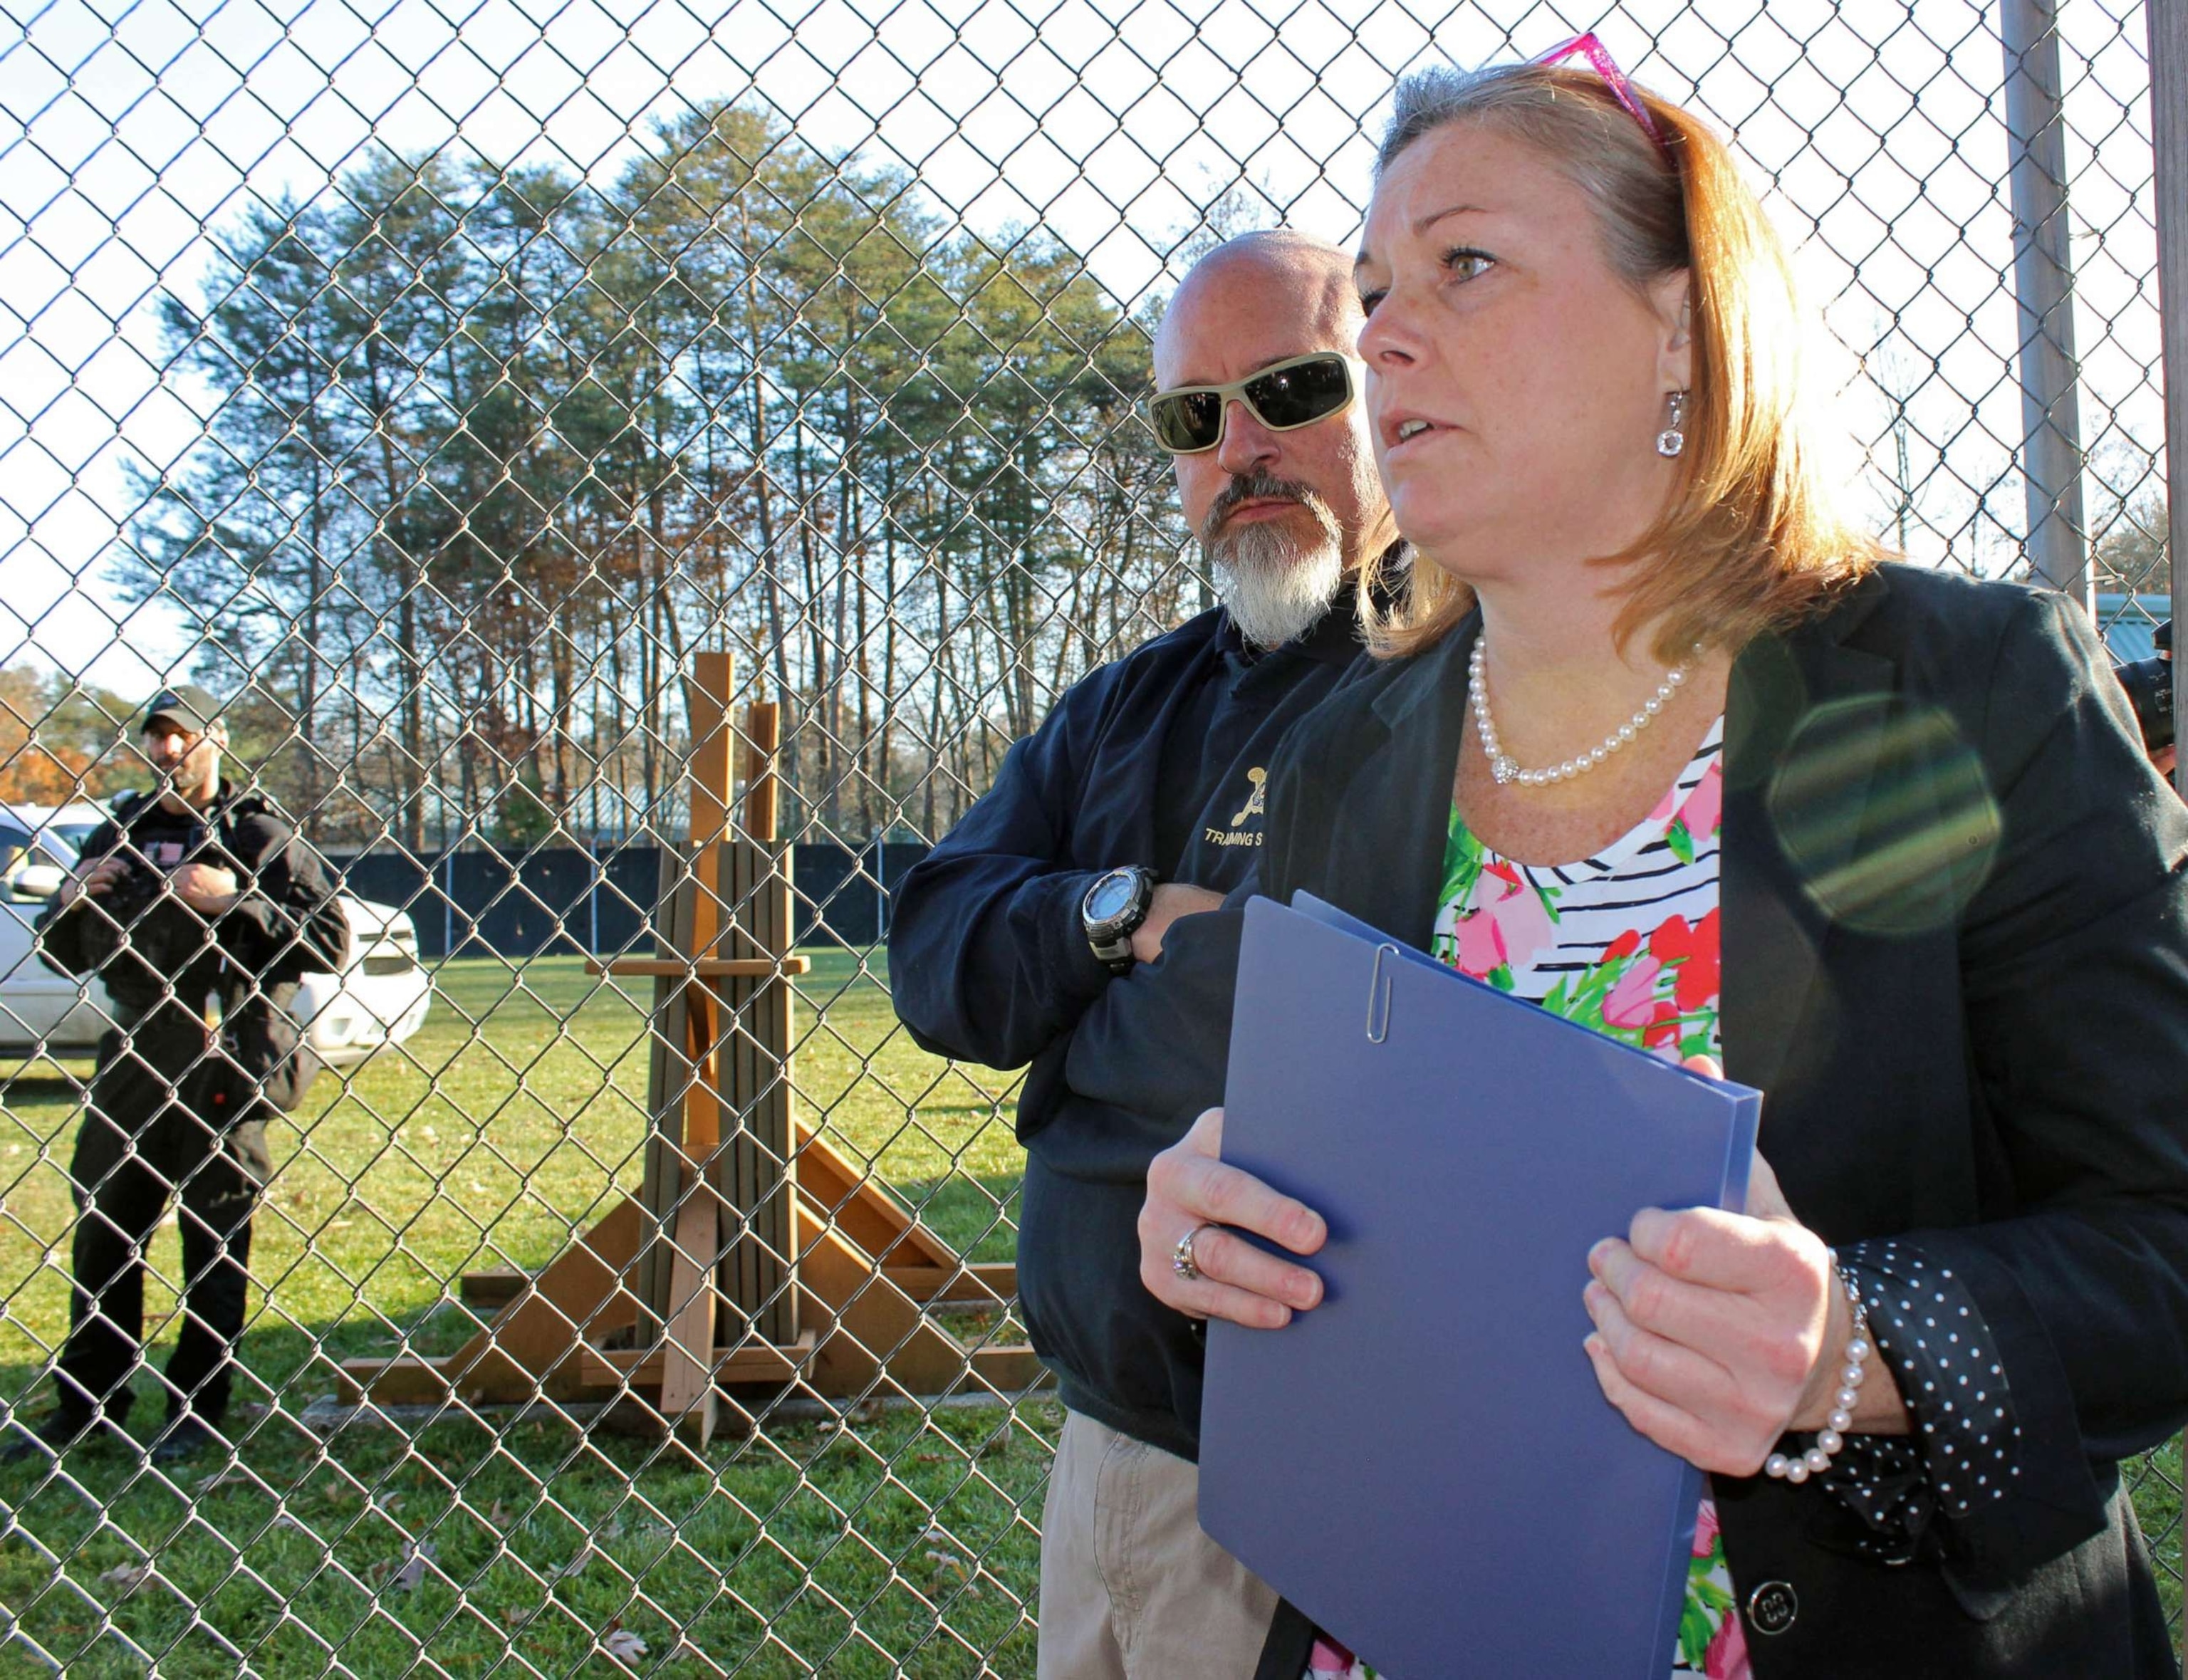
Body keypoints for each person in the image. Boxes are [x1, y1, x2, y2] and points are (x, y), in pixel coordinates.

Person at [1137, 48, 2188, 1680]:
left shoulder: (1965, 691)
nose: (1377, 334)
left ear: (1682, 331)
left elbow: (2158, 1237)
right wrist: (1216, 1238)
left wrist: (1856, 1346)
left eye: (1461, 264)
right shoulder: (1344, 756)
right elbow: (1327, 1269)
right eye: (1368, 290)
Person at [889, 231, 1402, 1676]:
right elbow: (933, 952)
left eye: (1290, 388)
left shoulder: (1445, 676)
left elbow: (1317, 1024)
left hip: (1312, 1477)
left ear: (1388, 383)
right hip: (1099, 1445)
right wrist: (1118, 914)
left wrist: (1062, 1068)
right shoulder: (1126, 704)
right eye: (1193, 414)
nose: (1239, 445)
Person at [9, 685, 349, 1466]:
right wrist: (68, 898)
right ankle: (87, 1404)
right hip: (132, 1055)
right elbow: (64, 947)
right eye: (156, 738)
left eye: (182, 737)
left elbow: (328, 938)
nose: (168, 752)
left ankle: (198, 1409)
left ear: (215, 741)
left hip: (221, 1054)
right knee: (104, 1231)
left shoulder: (257, 832)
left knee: (214, 1238)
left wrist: (239, 899)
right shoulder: (120, 830)